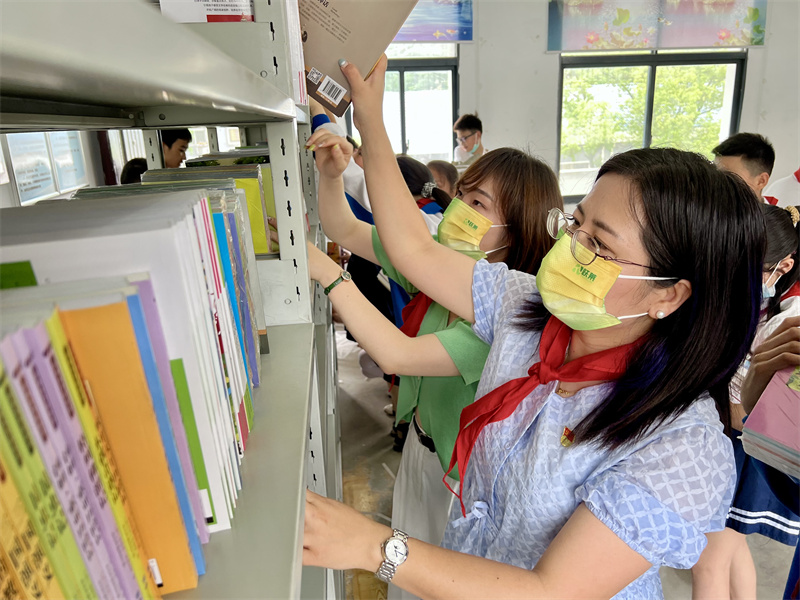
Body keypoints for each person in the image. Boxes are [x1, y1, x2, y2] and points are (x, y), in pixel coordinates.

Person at [302, 55, 766, 599]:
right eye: (576, 224)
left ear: (669, 294)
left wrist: (373, 548)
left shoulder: (682, 443)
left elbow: (549, 591)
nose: (570, 250)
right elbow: (413, 249)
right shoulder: (526, 307)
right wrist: (372, 122)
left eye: (599, 245)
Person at [306, 124, 561, 598]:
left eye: (479, 205)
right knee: (400, 573)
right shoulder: (438, 267)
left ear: (520, 226)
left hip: (458, 486)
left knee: (432, 583)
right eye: (461, 194)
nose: (459, 210)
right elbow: (344, 228)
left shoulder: (509, 321)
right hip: (420, 455)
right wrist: (333, 176)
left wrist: (329, 275)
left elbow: (397, 354)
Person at [691, 202, 800, 599]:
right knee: (730, 549)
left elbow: (767, 418)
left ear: (783, 267)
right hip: (731, 442)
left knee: (706, 559)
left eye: (745, 267)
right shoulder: (748, 307)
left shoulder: (784, 325)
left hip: (742, 451)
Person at [712, 132, 775, 201]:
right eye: (716, 175)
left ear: (761, 181)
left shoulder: (777, 211)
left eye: (729, 177)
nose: (718, 184)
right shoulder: (706, 208)